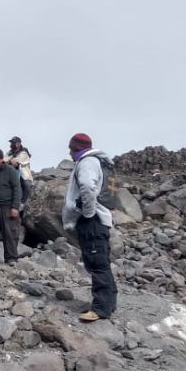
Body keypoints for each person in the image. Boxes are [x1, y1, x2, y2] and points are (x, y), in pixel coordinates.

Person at [62, 132, 118, 322]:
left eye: (71, 148)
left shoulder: (87, 163)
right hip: (100, 220)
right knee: (102, 262)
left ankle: (100, 309)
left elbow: (87, 187)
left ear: (76, 148)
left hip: (92, 221)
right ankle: (109, 303)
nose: (69, 153)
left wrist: (87, 212)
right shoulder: (100, 162)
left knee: (96, 263)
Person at [6, 136, 33, 203]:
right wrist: (10, 161)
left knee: (26, 188)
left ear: (18, 144)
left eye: (13, 143)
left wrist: (10, 161)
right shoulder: (9, 153)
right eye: (11, 143)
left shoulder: (24, 152)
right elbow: (4, 160)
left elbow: (17, 161)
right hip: (11, 176)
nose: (11, 144)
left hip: (23, 177)